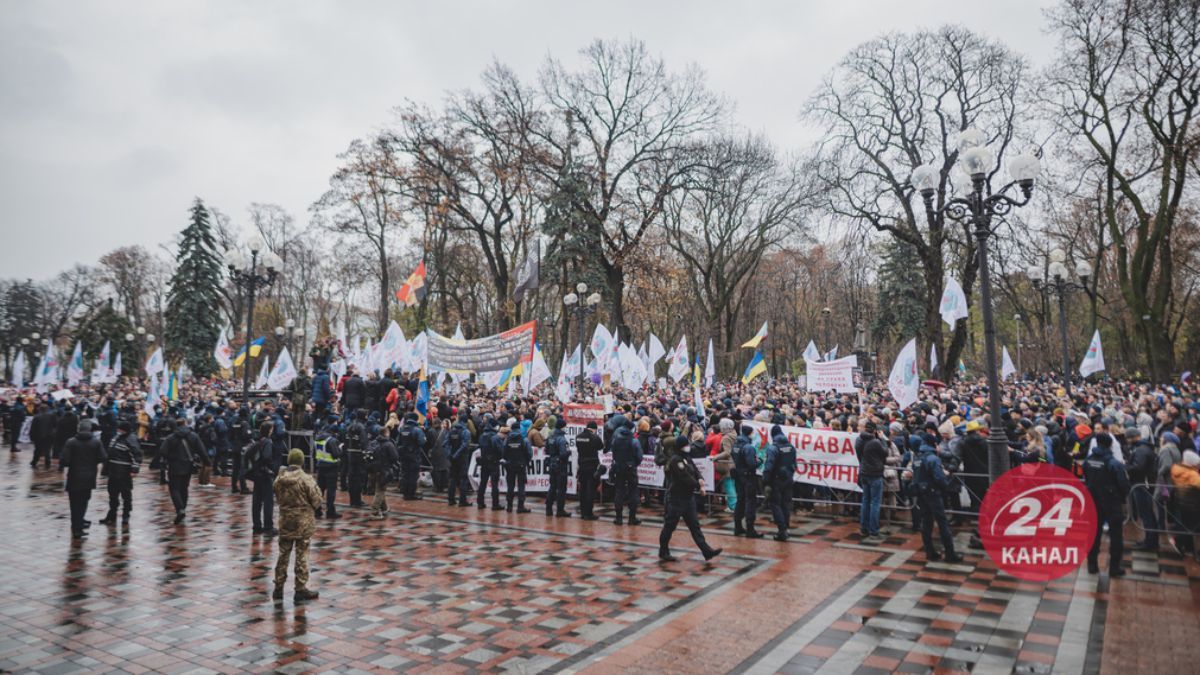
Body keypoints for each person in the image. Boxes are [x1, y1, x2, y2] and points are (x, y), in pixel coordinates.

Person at [658, 436, 722, 562]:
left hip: (688, 498)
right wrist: (699, 486)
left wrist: (700, 479)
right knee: (669, 526)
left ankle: (706, 551)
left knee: (694, 526)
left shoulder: (686, 457)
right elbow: (685, 477)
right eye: (686, 445)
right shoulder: (675, 460)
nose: (688, 447)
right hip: (676, 499)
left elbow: (695, 470)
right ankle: (663, 551)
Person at [273, 448, 323, 603]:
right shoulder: (306, 479)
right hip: (303, 522)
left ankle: (278, 587)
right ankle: (300, 589)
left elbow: (277, 496)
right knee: (302, 555)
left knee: (283, 554)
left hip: (285, 521)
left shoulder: (279, 478)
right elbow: (317, 500)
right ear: (302, 461)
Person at [912, 433, 964, 563]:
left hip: (921, 493)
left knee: (926, 522)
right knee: (942, 523)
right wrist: (945, 479)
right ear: (934, 444)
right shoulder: (933, 458)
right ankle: (950, 554)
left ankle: (930, 552)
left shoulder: (917, 457)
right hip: (933, 493)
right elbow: (939, 479)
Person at [1084, 433, 1130, 576]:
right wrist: (1122, 497)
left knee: (1094, 533)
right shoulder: (1113, 463)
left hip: (1094, 500)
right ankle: (1114, 568)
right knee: (1116, 535)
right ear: (1110, 445)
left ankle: (1092, 565)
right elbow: (1124, 484)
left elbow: (1086, 477)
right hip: (1111, 501)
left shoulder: (1088, 460)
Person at [61, 419, 106, 538]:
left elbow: (65, 460)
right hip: (89, 476)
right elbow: (103, 457)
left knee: (74, 503)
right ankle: (78, 525)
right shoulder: (96, 442)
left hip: (74, 476)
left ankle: (77, 524)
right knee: (83, 501)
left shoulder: (71, 442)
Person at [99, 419, 141, 525]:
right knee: (112, 494)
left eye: (119, 429)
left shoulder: (131, 439)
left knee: (126, 495)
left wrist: (134, 470)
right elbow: (109, 454)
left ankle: (126, 515)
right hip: (113, 471)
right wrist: (105, 469)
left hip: (124, 472)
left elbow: (136, 455)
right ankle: (111, 515)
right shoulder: (116, 438)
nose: (118, 430)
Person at [161, 418, 201, 524]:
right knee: (184, 487)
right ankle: (183, 507)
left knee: (174, 488)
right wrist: (206, 461)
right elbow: (201, 449)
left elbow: (163, 451)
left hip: (174, 465)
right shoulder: (193, 435)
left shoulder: (171, 437)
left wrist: (169, 458)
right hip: (188, 465)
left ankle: (180, 509)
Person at [1125, 427, 1158, 551]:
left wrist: (1126, 467)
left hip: (1141, 485)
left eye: (1128, 438)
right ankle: (1150, 540)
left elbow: (1138, 467)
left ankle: (1150, 543)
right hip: (1143, 484)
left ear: (1133, 437)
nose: (1127, 440)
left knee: (1146, 514)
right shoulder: (1143, 448)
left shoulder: (1141, 450)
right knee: (1147, 514)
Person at [763, 424, 797, 541]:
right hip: (788, 479)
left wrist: (766, 480)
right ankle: (786, 527)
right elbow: (794, 464)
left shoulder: (773, 448)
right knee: (785, 504)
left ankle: (782, 531)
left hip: (776, 480)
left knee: (775, 504)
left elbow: (769, 466)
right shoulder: (791, 447)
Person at [857, 421, 887, 542]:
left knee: (865, 501)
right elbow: (885, 453)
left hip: (864, 472)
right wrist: (883, 439)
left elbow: (859, 457)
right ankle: (873, 531)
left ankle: (864, 528)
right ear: (874, 431)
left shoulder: (859, 440)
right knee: (875, 503)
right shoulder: (875, 442)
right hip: (875, 474)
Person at [608, 416, 642, 525]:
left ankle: (619, 518)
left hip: (619, 467)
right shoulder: (634, 441)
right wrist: (634, 464)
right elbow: (639, 456)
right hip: (630, 468)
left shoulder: (616, 440)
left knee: (619, 492)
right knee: (633, 492)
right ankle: (632, 518)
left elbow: (613, 453)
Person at [246, 422, 278, 535]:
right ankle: (268, 527)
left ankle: (257, 525)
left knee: (257, 501)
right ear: (269, 430)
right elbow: (267, 456)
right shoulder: (268, 442)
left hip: (257, 474)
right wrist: (272, 468)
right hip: (265, 474)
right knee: (268, 501)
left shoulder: (258, 441)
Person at [732, 425, 763, 537]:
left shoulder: (736, 445)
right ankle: (750, 529)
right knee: (750, 502)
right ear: (749, 433)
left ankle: (738, 527)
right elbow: (752, 464)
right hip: (748, 477)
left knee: (740, 500)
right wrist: (759, 461)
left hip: (739, 475)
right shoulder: (748, 447)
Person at [1169, 451, 1200, 558]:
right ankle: (1178, 541)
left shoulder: (1176, 469)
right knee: (1192, 527)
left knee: (1187, 526)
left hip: (1182, 502)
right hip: (1193, 504)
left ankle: (1188, 548)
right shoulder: (1192, 474)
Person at [313, 421, 342, 519]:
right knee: (331, 491)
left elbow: (314, 454)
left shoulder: (317, 439)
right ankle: (330, 511)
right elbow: (336, 454)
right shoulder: (331, 440)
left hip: (320, 467)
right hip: (331, 468)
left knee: (320, 490)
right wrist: (340, 448)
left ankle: (317, 510)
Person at [575, 421, 603, 521]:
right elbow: (601, 446)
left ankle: (583, 512)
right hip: (592, 466)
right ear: (594, 429)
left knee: (582, 489)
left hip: (582, 465)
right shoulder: (595, 437)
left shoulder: (578, 437)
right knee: (591, 490)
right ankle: (589, 513)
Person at [502, 420, 532, 513]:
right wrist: (525, 461)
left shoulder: (507, 439)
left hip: (510, 465)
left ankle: (509, 506)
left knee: (510, 486)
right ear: (519, 429)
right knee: (521, 486)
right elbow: (529, 453)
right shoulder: (524, 439)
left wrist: (508, 460)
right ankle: (520, 507)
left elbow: (503, 453)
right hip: (521, 465)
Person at [395, 413, 426, 500]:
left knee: (405, 474)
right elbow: (422, 442)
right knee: (413, 475)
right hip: (414, 455)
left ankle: (405, 493)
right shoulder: (417, 430)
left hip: (404, 455)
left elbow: (398, 442)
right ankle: (411, 494)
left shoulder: (402, 429)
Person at [369, 427, 398, 519]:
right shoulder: (388, 444)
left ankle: (384, 508)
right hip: (383, 470)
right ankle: (374, 512)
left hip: (372, 470)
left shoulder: (373, 443)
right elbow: (395, 457)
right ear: (386, 433)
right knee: (380, 490)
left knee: (380, 489)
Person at [544, 419, 571, 517]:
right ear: (562, 427)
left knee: (552, 486)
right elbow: (564, 454)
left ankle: (548, 509)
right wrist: (569, 452)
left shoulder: (550, 437)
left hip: (552, 463)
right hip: (560, 465)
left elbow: (546, 450)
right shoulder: (562, 439)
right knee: (561, 488)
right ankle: (560, 510)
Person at [445, 413, 472, 507]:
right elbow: (465, 445)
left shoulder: (452, 430)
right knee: (463, 479)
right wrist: (456, 455)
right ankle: (462, 501)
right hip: (462, 457)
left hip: (453, 457)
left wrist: (450, 454)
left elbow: (445, 443)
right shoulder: (466, 431)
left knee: (452, 478)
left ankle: (451, 499)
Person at [343, 410, 368, 507]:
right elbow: (364, 442)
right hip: (358, 454)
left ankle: (352, 500)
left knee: (351, 478)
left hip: (350, 454)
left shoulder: (350, 426)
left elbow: (345, 439)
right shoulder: (361, 427)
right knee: (358, 478)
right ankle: (357, 501)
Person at [477, 418, 503, 510]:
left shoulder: (482, 435)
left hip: (484, 461)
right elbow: (500, 449)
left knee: (483, 483)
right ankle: (495, 504)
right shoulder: (495, 437)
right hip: (493, 462)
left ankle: (480, 503)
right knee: (494, 484)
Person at [29, 403, 56, 468]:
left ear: (40, 409)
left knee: (37, 449)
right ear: (47, 409)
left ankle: (34, 462)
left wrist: (31, 437)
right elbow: (55, 425)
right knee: (48, 449)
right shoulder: (52, 415)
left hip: (38, 436)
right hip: (49, 435)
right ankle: (48, 462)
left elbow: (33, 428)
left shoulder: (36, 417)